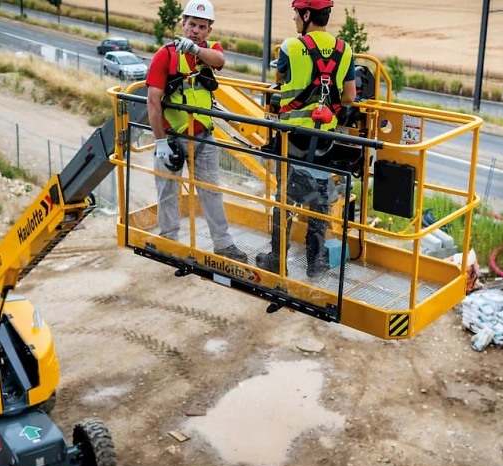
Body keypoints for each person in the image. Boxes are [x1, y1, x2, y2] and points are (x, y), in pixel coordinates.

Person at [256, 0, 357, 278]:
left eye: (296, 14)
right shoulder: (344, 50)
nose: (294, 20)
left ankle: (278, 258)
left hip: (292, 139)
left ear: (307, 14)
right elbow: (349, 96)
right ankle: (316, 261)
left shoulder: (291, 47)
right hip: (324, 138)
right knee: (320, 199)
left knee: (284, 200)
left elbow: (280, 78)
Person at [145, 0, 248, 263]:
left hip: (203, 137)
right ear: (183, 24)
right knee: (167, 191)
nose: (195, 31)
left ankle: (223, 245)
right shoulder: (165, 55)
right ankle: (169, 240)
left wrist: (195, 50)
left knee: (210, 190)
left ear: (208, 31)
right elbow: (152, 100)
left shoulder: (210, 51)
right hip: (171, 138)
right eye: (191, 24)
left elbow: (220, 60)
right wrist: (159, 142)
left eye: (202, 27)